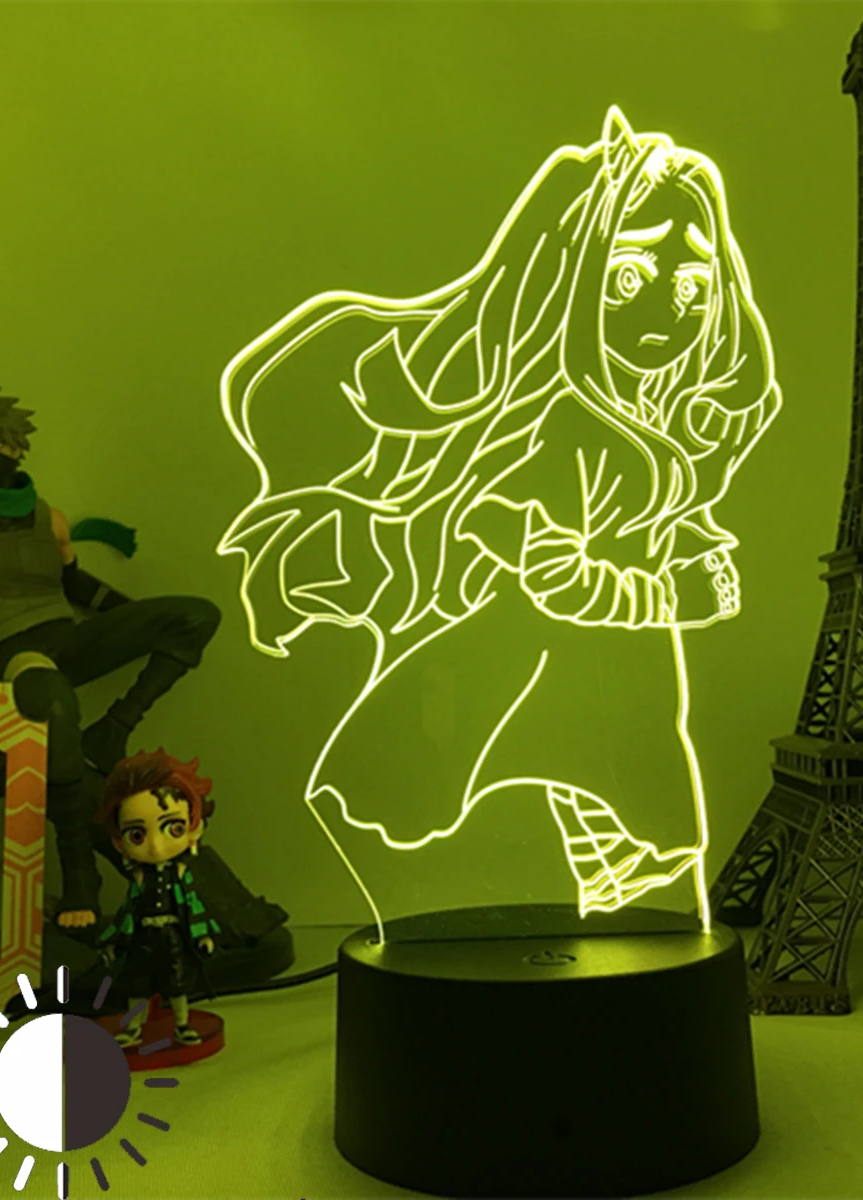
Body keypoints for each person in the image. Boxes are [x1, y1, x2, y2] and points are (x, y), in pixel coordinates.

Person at [217, 107, 782, 932]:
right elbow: (552, 571)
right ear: (570, 279)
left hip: (597, 679)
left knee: (630, 836)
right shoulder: (572, 429)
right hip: (547, 663)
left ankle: (615, 928)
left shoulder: (637, 425)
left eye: (693, 289)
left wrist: (688, 552)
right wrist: (671, 597)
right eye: (628, 281)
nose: (665, 313)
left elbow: (639, 524)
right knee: (625, 827)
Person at [0, 384, 220, 927]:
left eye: (5, 445)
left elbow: (80, 589)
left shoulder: (49, 517)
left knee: (196, 615)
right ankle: (80, 882)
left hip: (68, 638)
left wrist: (137, 622)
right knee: (54, 703)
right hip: (21, 654)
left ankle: (114, 728)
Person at [96, 749, 220, 1048]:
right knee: (136, 983)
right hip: (142, 936)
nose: (155, 846)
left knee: (177, 983)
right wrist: (113, 939)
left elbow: (194, 905)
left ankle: (182, 1025)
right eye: (137, 835)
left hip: (172, 935)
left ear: (194, 827)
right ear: (119, 841)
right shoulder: (140, 880)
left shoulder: (181, 875)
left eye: (173, 828)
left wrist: (203, 934)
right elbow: (127, 911)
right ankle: (134, 1027)